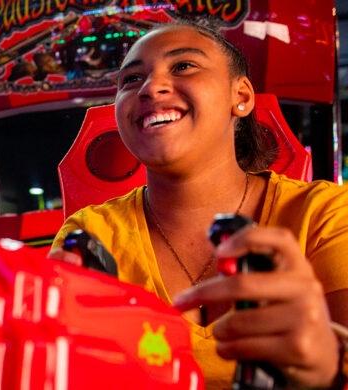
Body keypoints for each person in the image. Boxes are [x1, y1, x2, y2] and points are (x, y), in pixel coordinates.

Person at [49, 21, 347, 389]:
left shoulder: (326, 213)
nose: (149, 87)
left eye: (183, 66)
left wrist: (325, 369)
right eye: (131, 79)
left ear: (241, 96)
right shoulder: (91, 235)